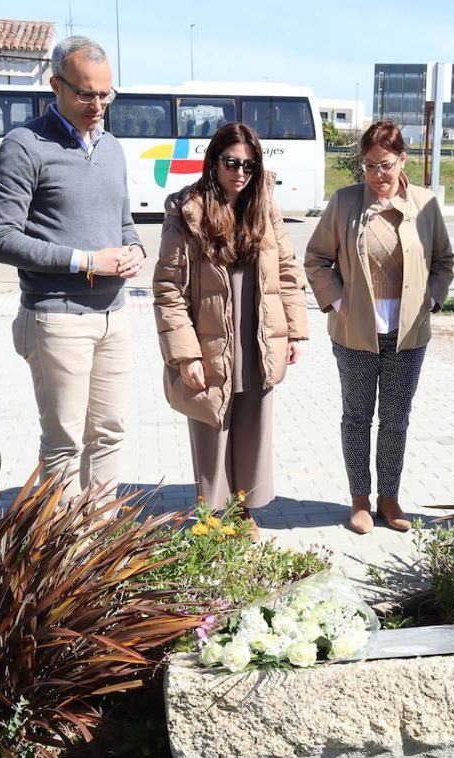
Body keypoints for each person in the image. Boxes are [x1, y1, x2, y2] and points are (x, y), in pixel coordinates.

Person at [0, 36, 144, 496]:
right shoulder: (24, 145)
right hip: (55, 316)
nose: (98, 105)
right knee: (64, 444)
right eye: (86, 93)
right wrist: (86, 261)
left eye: (106, 94)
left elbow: (123, 220)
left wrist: (133, 249)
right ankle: (59, 554)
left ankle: (97, 548)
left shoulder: (111, 147)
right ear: (55, 85)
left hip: (115, 314)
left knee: (109, 434)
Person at [153, 122, 309, 538]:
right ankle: (210, 516)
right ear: (214, 161)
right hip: (209, 337)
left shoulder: (265, 207)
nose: (241, 173)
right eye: (232, 163)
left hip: (257, 333)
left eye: (250, 165)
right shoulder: (188, 210)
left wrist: (293, 331)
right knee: (210, 425)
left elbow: (289, 272)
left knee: (252, 424)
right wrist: (184, 353)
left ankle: (244, 513)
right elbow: (168, 287)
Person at [305, 120, 454, 534]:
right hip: (356, 332)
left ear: (402, 160)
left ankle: (389, 496)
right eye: (369, 166)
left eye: (385, 165)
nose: (377, 175)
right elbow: (316, 258)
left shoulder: (424, 204)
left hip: (407, 334)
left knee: (395, 419)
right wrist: (338, 302)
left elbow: (444, 260)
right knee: (356, 417)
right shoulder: (345, 202)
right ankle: (359, 499)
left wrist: (431, 299)